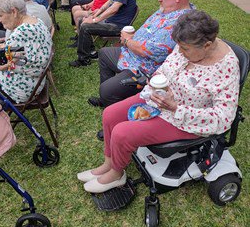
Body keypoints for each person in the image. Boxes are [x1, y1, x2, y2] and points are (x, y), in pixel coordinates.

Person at [78, 10, 240, 193]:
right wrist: (156, 79)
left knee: (122, 133)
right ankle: (108, 163)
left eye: (185, 49)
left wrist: (177, 108)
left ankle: (116, 174)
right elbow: (167, 66)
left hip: (185, 118)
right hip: (160, 99)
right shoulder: (188, 45)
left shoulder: (226, 67)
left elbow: (224, 116)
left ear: (207, 45)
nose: (181, 52)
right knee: (110, 114)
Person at [89, 0, 193, 109]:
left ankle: (111, 103)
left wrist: (126, 40)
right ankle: (110, 100)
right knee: (104, 53)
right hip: (131, 55)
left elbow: (146, 52)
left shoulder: (180, 22)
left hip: (144, 69)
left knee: (106, 89)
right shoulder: (167, 10)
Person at [69, 0, 137, 68]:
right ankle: (91, 52)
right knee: (82, 21)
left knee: (85, 26)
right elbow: (107, 3)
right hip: (111, 21)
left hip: (118, 26)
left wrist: (95, 20)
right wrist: (94, 15)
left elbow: (113, 9)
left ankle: (83, 59)